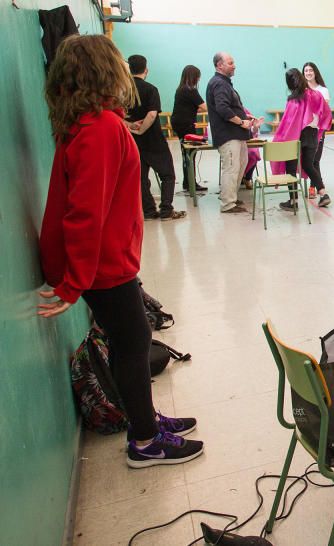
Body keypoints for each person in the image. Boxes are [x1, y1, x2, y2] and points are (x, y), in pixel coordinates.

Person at [37, 34, 203, 468]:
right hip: (102, 267)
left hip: (102, 262)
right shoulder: (101, 128)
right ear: (104, 72)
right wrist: (73, 282)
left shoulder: (88, 123)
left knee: (130, 341)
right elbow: (84, 214)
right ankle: (146, 442)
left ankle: (144, 421)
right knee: (134, 344)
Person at [126, 55, 186, 221]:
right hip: (153, 140)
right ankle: (166, 210)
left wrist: (131, 127)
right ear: (146, 70)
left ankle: (148, 211)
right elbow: (152, 114)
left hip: (132, 142)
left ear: (129, 69)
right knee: (167, 175)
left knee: (141, 177)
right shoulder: (151, 89)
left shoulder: (123, 90)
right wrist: (142, 130)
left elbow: (115, 115)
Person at [271, 68, 333, 210]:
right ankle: (323, 194)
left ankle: (293, 202)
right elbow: (326, 112)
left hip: (297, 136)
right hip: (312, 135)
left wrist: (280, 139)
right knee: (308, 165)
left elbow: (288, 123)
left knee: (291, 168)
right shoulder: (315, 94)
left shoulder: (294, 99)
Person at [206, 51, 259, 214]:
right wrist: (242, 122)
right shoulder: (219, 83)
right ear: (219, 65)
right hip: (228, 135)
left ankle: (232, 198)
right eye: (230, 63)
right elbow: (223, 109)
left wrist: (245, 116)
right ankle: (228, 204)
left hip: (236, 134)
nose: (234, 65)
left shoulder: (225, 83)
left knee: (240, 165)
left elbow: (230, 106)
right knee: (231, 168)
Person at [171, 64, 208, 194]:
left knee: (186, 153)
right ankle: (190, 183)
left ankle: (188, 182)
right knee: (190, 153)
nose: (198, 79)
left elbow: (191, 107)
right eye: (198, 77)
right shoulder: (190, 90)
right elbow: (205, 107)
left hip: (179, 123)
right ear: (194, 77)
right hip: (185, 124)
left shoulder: (181, 89)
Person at [303, 61, 330, 200]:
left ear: (315, 72)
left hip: (318, 130)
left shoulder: (323, 90)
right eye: (306, 70)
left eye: (310, 70)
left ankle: (313, 187)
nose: (308, 73)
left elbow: (323, 112)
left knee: (315, 160)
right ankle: (319, 187)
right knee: (306, 160)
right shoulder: (302, 89)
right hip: (304, 131)